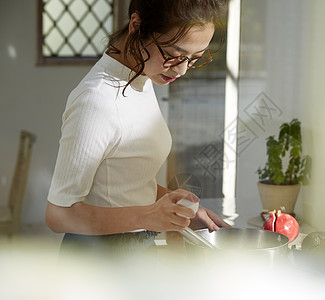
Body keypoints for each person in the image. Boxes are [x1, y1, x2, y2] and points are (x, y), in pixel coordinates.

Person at [45, 0, 230, 257]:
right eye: (174, 54)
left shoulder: (141, 75)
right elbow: (58, 215)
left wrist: (174, 204)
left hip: (134, 249)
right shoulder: (96, 101)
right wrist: (148, 215)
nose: (182, 69)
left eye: (193, 58)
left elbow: (119, 184)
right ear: (136, 26)